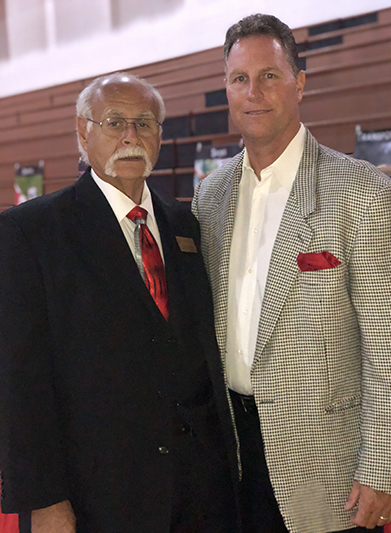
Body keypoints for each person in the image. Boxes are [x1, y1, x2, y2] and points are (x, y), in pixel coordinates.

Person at [0, 72, 239, 533]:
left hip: (202, 491)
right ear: (82, 131)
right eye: (114, 122)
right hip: (99, 495)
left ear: (160, 136)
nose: (131, 136)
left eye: (144, 123)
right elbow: (19, 381)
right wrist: (46, 502)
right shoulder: (30, 232)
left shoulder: (185, 223)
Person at [192, 13, 391, 533]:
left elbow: (389, 343)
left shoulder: (362, 192)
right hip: (233, 454)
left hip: (328, 465)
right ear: (226, 89)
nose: (254, 92)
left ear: (299, 83)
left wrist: (383, 465)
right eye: (240, 78)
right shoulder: (209, 197)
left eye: (269, 75)